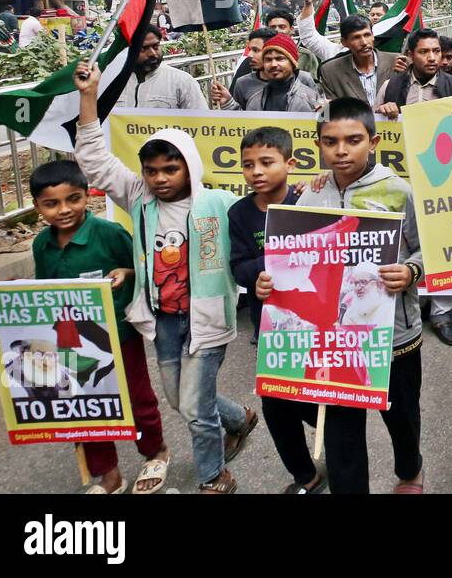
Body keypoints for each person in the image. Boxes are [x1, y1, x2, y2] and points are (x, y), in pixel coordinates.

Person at [72, 60, 256, 494]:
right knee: (179, 399)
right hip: (164, 320)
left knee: (192, 406)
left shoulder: (221, 203)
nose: (159, 179)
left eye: (169, 170)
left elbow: (266, 213)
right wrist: (87, 97)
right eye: (151, 171)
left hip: (206, 319)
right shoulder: (139, 196)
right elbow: (95, 161)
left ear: (188, 167)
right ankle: (237, 417)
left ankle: (214, 475)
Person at [257, 97, 425, 493]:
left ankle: (411, 471)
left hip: (395, 337)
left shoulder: (399, 192)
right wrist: (270, 282)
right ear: (318, 145)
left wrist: (411, 270)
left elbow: (429, 249)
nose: (342, 150)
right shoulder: (310, 196)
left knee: (401, 419)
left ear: (374, 140)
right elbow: (295, 260)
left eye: (353, 140)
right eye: (330, 142)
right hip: (334, 339)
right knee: (340, 435)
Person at [30, 160, 170, 495]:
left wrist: (127, 273)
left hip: (118, 335)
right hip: (68, 340)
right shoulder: (41, 245)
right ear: (37, 207)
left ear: (86, 197)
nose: (64, 210)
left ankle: (155, 452)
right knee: (83, 405)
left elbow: (143, 266)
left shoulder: (109, 234)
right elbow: (42, 292)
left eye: (73, 199)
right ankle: (108, 474)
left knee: (137, 399)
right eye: (52, 204)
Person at [225, 128, 325, 493]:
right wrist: (259, 276)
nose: (257, 172)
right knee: (278, 404)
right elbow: (238, 266)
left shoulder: (311, 200)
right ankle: (305, 474)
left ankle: (339, 438)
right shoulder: (239, 214)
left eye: (266, 162)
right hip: (272, 327)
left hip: (319, 324)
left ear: (290, 163)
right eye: (248, 165)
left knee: (326, 399)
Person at [373, 28, 452, 346]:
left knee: (445, 243)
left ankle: (441, 313)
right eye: (425, 52)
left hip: (443, 177)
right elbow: (373, 128)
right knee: (407, 244)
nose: (432, 57)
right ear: (411, 54)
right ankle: (400, 307)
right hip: (401, 181)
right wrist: (384, 111)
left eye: (436, 52)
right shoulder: (392, 86)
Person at [216, 35, 321, 113]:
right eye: (268, 60)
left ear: (293, 63)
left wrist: (326, 113)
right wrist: (228, 103)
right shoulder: (255, 100)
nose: (273, 64)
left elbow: (325, 127)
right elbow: (244, 127)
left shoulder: (311, 99)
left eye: (280, 59)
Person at [312, 14, 401, 105]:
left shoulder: (398, 62)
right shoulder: (330, 71)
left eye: (367, 35)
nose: (364, 43)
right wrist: (323, 110)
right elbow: (331, 111)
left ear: (373, 36)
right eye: (356, 37)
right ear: (344, 42)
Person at [115, 30, 210, 110]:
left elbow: (202, 121)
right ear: (128, 50)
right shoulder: (113, 82)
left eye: (156, 46)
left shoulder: (182, 80)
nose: (152, 53)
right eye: (143, 48)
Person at [265, 9, 320, 78]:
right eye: (273, 27)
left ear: (291, 30)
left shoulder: (306, 56)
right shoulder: (260, 55)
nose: (277, 30)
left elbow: (314, 85)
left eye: (282, 27)